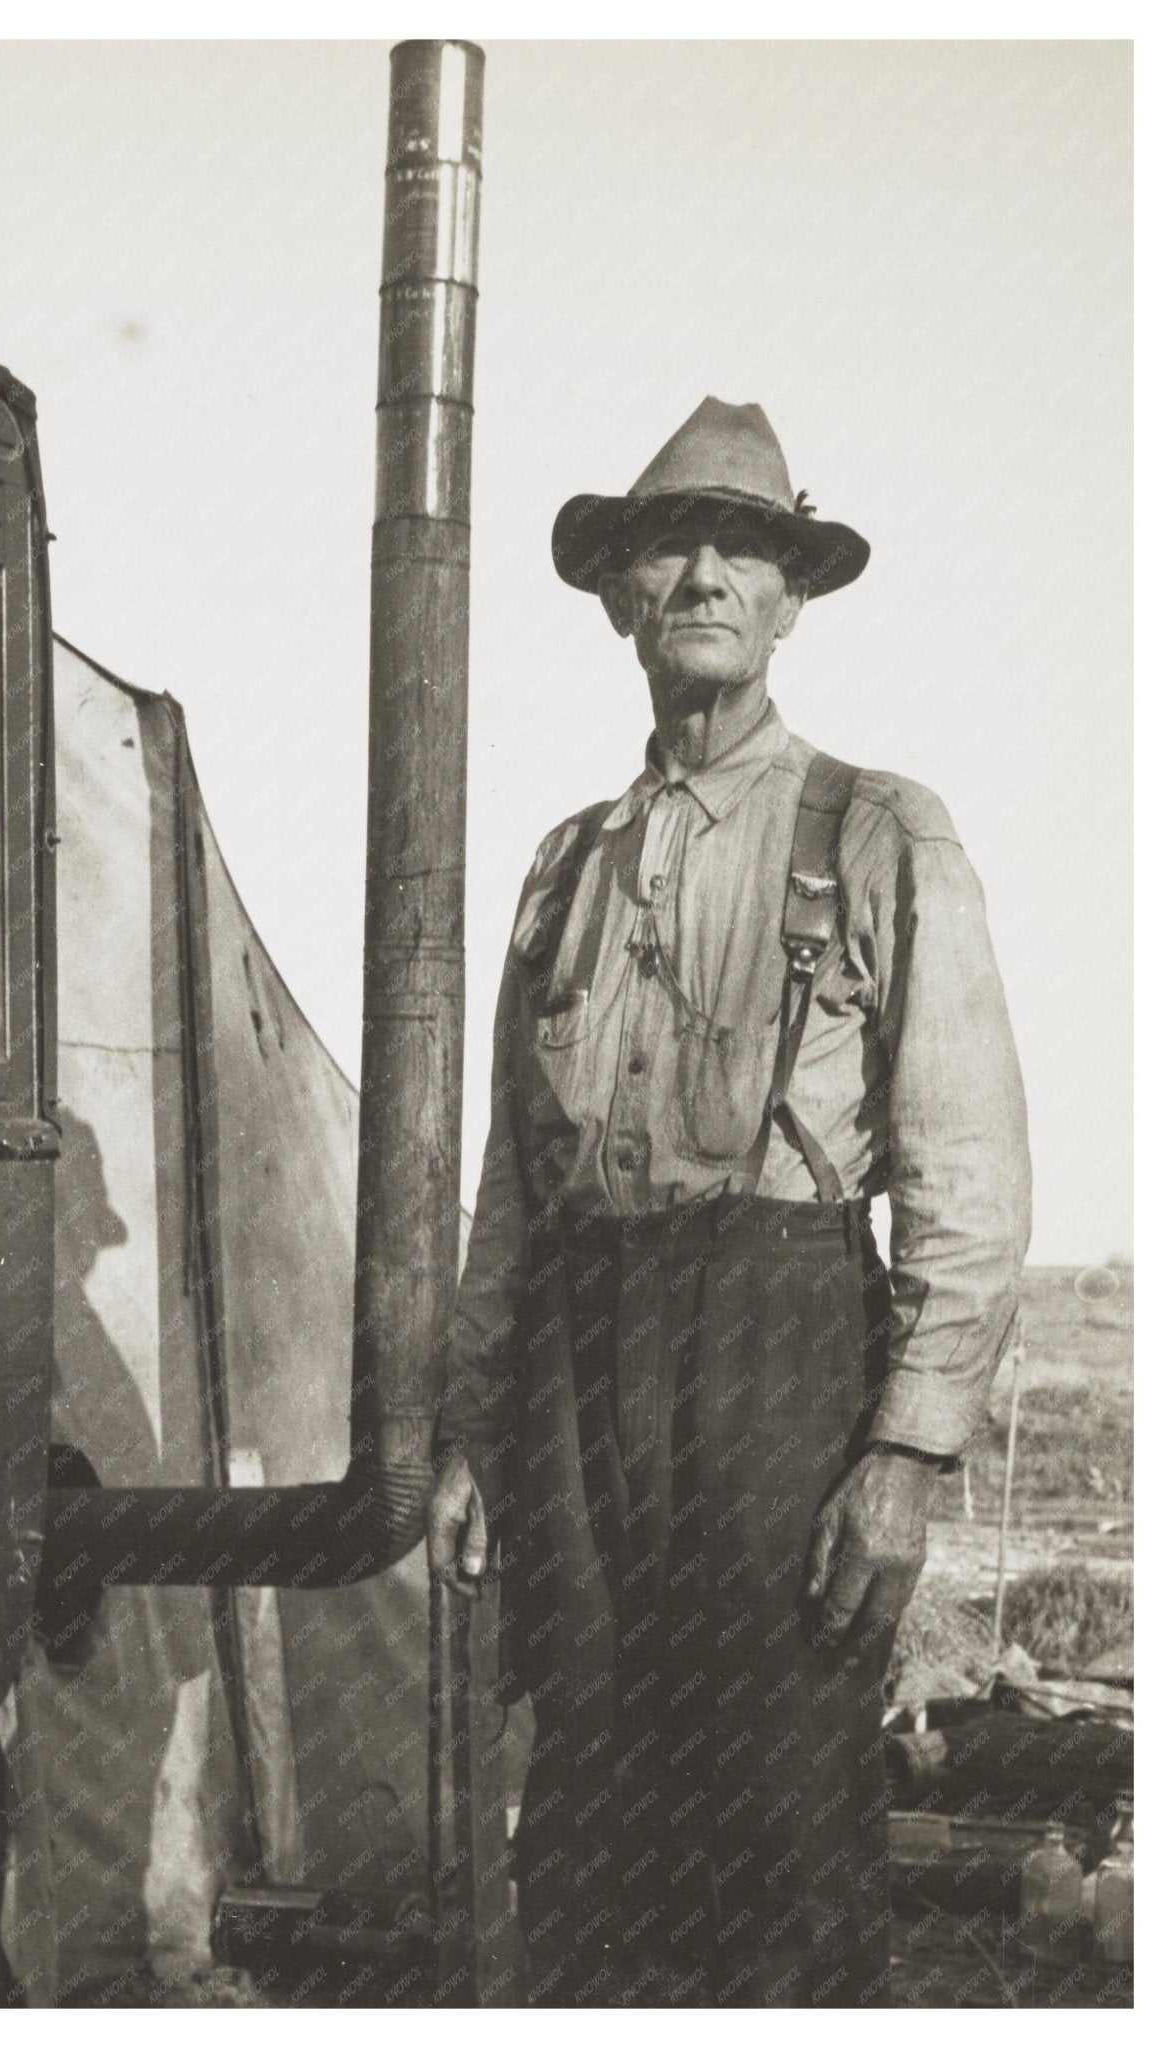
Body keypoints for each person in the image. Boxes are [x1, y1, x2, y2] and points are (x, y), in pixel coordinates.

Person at [426, 398, 1031, 2007]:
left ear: (789, 597)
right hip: (576, 1372)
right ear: (620, 592)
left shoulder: (876, 829)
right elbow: (511, 1191)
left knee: (775, 1830)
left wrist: (901, 1454)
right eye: (669, 544)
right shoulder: (563, 865)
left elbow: (968, 1176)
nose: (704, 573)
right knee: (586, 1817)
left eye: (743, 547)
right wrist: (471, 1430)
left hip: (776, 1370)